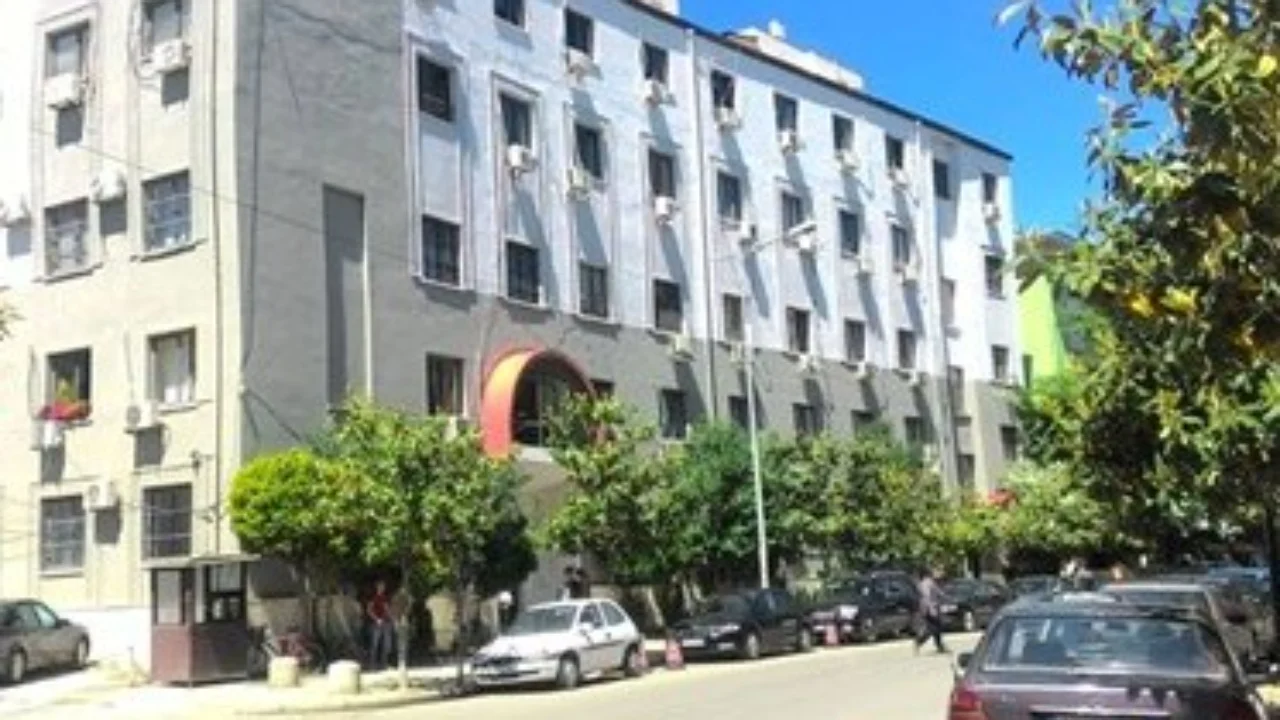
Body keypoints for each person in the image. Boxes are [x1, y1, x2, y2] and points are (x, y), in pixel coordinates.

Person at [914, 568, 949, 655]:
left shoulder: (928, 583)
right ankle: (920, 641)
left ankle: (939, 646)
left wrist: (944, 596)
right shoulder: (926, 583)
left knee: (936, 627)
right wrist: (931, 609)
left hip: (930, 608)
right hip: (929, 609)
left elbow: (938, 592)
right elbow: (927, 597)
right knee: (933, 628)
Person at [366, 580, 395, 671]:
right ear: (377, 587)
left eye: (383, 586)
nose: (382, 588)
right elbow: (369, 610)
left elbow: (388, 610)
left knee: (387, 644)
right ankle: (372, 664)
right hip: (377, 623)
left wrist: (392, 620)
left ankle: (384, 664)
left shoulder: (386, 598)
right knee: (375, 644)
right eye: (380, 586)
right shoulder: (373, 597)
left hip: (386, 622)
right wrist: (376, 619)